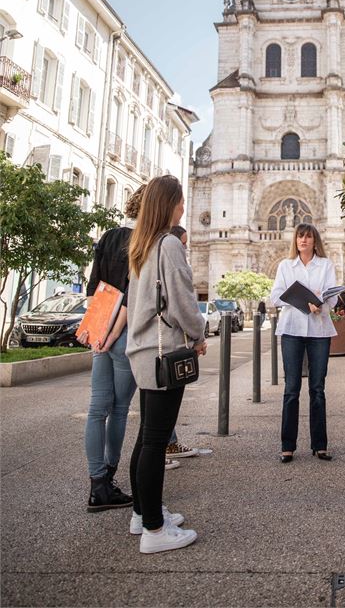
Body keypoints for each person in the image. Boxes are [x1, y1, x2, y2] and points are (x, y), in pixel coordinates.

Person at [126, 175, 206, 554]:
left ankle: (143, 514)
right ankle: (154, 531)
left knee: (147, 437)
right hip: (164, 353)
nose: (183, 207)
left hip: (143, 351)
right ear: (169, 203)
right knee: (156, 442)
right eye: (180, 200)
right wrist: (198, 334)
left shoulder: (142, 243)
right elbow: (182, 300)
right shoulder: (170, 244)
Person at [82, 185, 145, 513]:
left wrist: (97, 331)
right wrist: (113, 333)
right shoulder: (144, 242)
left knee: (96, 409)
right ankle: (108, 477)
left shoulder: (107, 237)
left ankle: (97, 484)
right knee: (119, 410)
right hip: (122, 334)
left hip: (100, 330)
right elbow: (130, 296)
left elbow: (94, 289)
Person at [270, 223, 337, 463]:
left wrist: (320, 303)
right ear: (295, 240)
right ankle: (287, 446)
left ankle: (320, 445)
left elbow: (333, 297)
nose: (303, 240)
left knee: (317, 389)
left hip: (319, 330)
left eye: (308, 237)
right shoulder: (285, 266)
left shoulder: (326, 265)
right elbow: (275, 296)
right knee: (291, 389)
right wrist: (300, 300)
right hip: (292, 329)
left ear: (314, 240)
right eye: (300, 237)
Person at [164, 224, 199, 467]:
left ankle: (168, 443)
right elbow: (181, 302)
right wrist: (198, 337)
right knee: (160, 406)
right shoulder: (169, 250)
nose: (185, 249)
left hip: (148, 342)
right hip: (164, 341)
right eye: (184, 244)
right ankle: (161, 450)